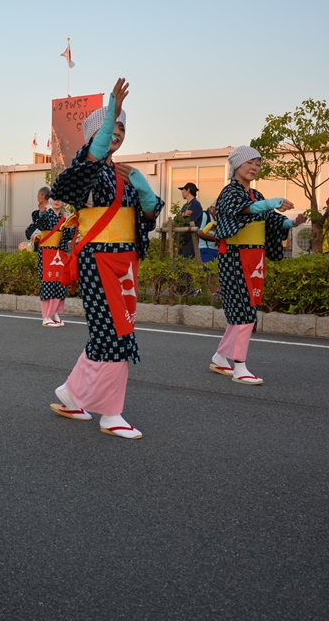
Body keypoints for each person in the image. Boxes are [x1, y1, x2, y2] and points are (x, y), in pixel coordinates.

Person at [48, 78, 163, 439]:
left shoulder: (124, 174)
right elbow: (91, 158)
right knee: (116, 332)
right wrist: (111, 108)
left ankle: (71, 394)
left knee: (107, 330)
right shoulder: (85, 169)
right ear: (95, 134)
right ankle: (111, 414)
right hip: (98, 259)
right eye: (111, 127)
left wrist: (146, 195)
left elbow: (147, 219)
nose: (117, 133)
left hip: (125, 262)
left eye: (122, 128)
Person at [209, 147, 307, 385]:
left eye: (258, 163)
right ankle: (240, 366)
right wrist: (269, 204)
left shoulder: (257, 195)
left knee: (244, 310)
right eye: (249, 163)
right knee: (243, 311)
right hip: (234, 254)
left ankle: (221, 357)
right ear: (236, 166)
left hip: (254, 257)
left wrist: (292, 221)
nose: (254, 167)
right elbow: (242, 211)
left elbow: (271, 219)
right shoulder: (229, 192)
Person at [26, 197, 73, 326]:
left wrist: (74, 221)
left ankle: (55, 313)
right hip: (47, 252)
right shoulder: (46, 215)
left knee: (60, 282)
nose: (57, 201)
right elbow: (36, 226)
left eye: (60, 199)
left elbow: (70, 234)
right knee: (48, 282)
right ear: (51, 201)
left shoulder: (66, 217)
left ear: (64, 202)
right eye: (54, 199)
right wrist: (41, 213)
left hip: (60, 252)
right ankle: (46, 316)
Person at [178, 182, 203, 258]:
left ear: (188, 190)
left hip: (190, 238)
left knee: (187, 259)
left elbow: (191, 220)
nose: (182, 192)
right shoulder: (186, 205)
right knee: (180, 259)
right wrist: (184, 214)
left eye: (183, 190)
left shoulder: (196, 204)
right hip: (182, 238)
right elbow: (177, 218)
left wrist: (182, 215)